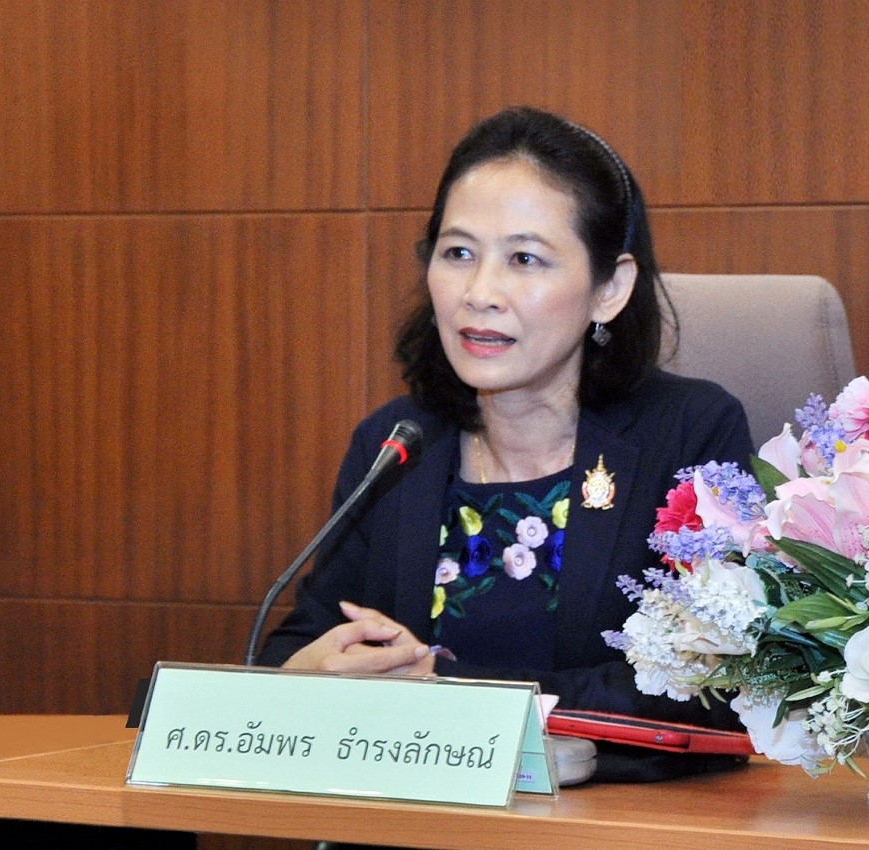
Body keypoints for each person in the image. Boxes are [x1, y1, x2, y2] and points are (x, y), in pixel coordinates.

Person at [255, 105, 754, 784]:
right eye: (458, 253)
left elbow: (711, 686)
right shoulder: (398, 444)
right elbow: (297, 643)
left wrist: (440, 690)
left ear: (610, 288)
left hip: (616, 823)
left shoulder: (689, 434)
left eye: (525, 259)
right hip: (410, 817)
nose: (480, 293)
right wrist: (307, 674)